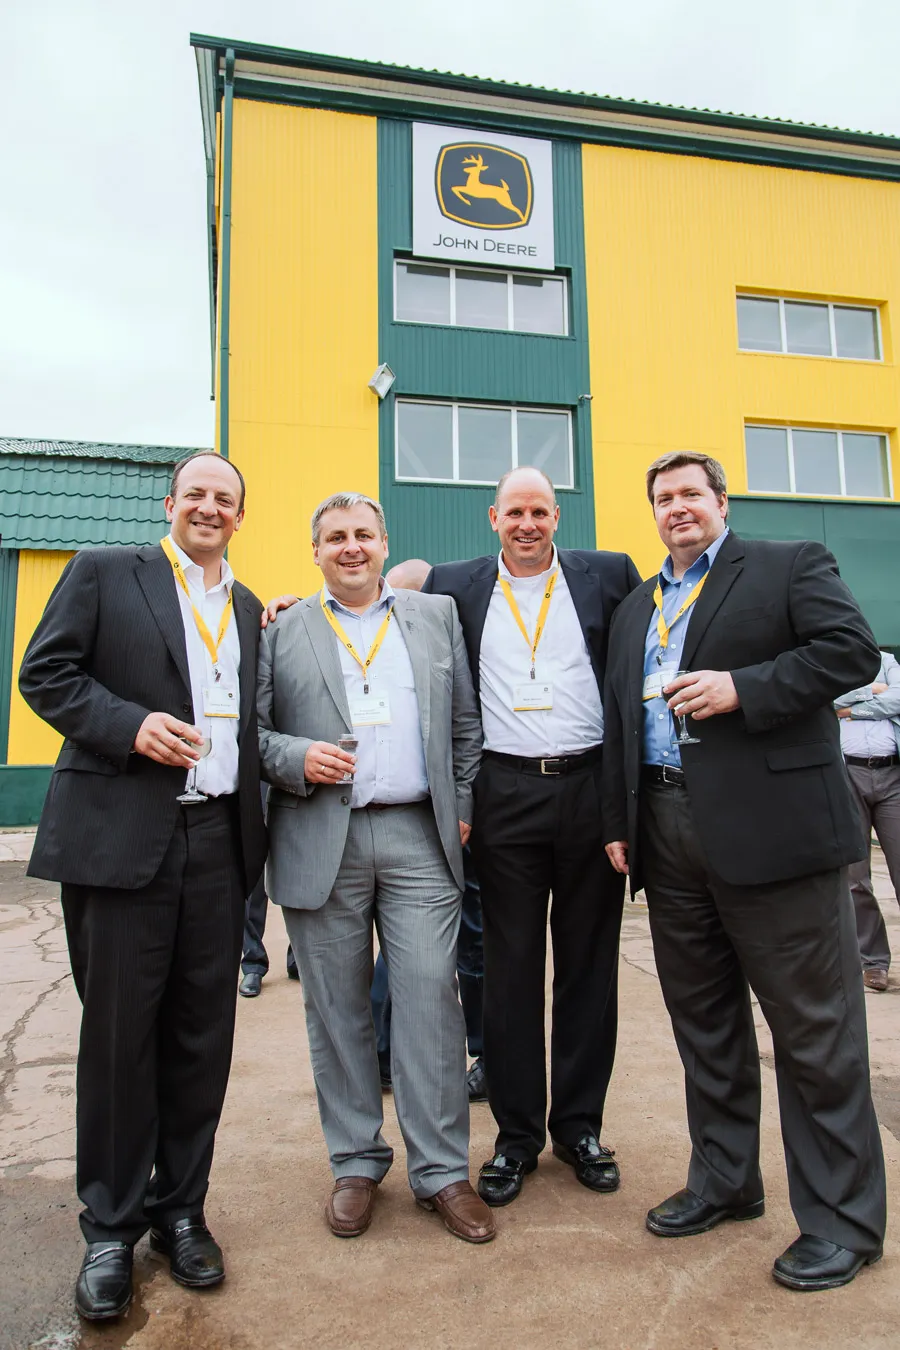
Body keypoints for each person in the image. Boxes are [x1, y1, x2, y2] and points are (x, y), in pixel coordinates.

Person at [601, 450, 886, 1292]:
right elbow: (622, 718)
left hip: (776, 834)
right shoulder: (637, 606)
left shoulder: (788, 565)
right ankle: (726, 1181)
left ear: (722, 501)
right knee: (705, 1025)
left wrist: (743, 688)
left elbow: (852, 653)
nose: (677, 508)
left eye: (691, 493)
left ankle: (842, 1222)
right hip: (667, 832)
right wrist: (621, 823)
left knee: (813, 1032)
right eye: (663, 497)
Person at [18, 451, 267, 1322]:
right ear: (169, 504)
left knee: (201, 1039)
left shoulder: (245, 606)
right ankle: (110, 1231)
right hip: (124, 841)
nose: (210, 507)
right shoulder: (104, 572)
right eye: (196, 493)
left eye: (225, 498)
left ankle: (180, 1212)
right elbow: (45, 673)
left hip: (220, 842)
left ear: (240, 516)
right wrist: (130, 726)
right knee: (120, 1042)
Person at [257, 492, 495, 1244]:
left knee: (430, 999)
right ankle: (356, 1163)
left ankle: (442, 1171)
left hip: (419, 834)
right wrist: (296, 757)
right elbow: (252, 734)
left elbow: (465, 723)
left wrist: (460, 802)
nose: (351, 547)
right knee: (336, 1009)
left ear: (385, 543)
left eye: (363, 534)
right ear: (316, 550)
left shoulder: (436, 616)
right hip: (318, 833)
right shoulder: (280, 629)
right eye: (335, 537)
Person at [422, 466, 642, 1207]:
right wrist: (287, 606)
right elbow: (387, 611)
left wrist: (624, 808)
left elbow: (655, 641)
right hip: (505, 794)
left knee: (589, 969)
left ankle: (579, 1129)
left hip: (589, 790)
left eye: (540, 511)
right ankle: (515, 1138)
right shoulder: (453, 584)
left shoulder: (608, 574)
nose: (527, 524)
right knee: (508, 972)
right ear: (493, 518)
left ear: (557, 516)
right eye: (514, 512)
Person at [368, 559, 487, 1102]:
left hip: (465, 814)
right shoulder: (378, 644)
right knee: (420, 947)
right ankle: (387, 1054)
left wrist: (463, 804)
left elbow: (466, 728)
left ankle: (476, 1052)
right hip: (419, 822)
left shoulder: (452, 632)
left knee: (467, 942)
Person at [835, 651, 900, 992]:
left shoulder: (886, 661)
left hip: (893, 775)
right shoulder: (831, 660)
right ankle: (873, 963)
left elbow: (898, 698)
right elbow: (828, 701)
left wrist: (851, 709)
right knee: (855, 878)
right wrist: (871, 691)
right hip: (847, 774)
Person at [238, 786, 299, 996]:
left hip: (298, 785)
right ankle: (253, 963)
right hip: (258, 782)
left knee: (300, 880)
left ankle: (298, 958)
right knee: (252, 884)